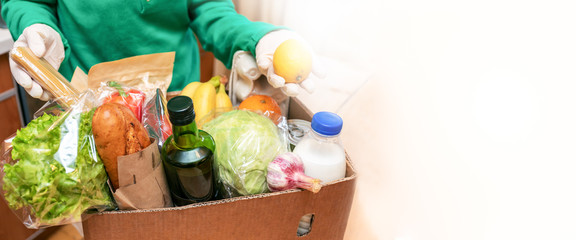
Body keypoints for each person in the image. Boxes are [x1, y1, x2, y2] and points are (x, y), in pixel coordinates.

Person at [0, 0, 324, 101]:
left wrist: (260, 38)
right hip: (86, 100)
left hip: (174, 99)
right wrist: (33, 24)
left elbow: (210, 10)